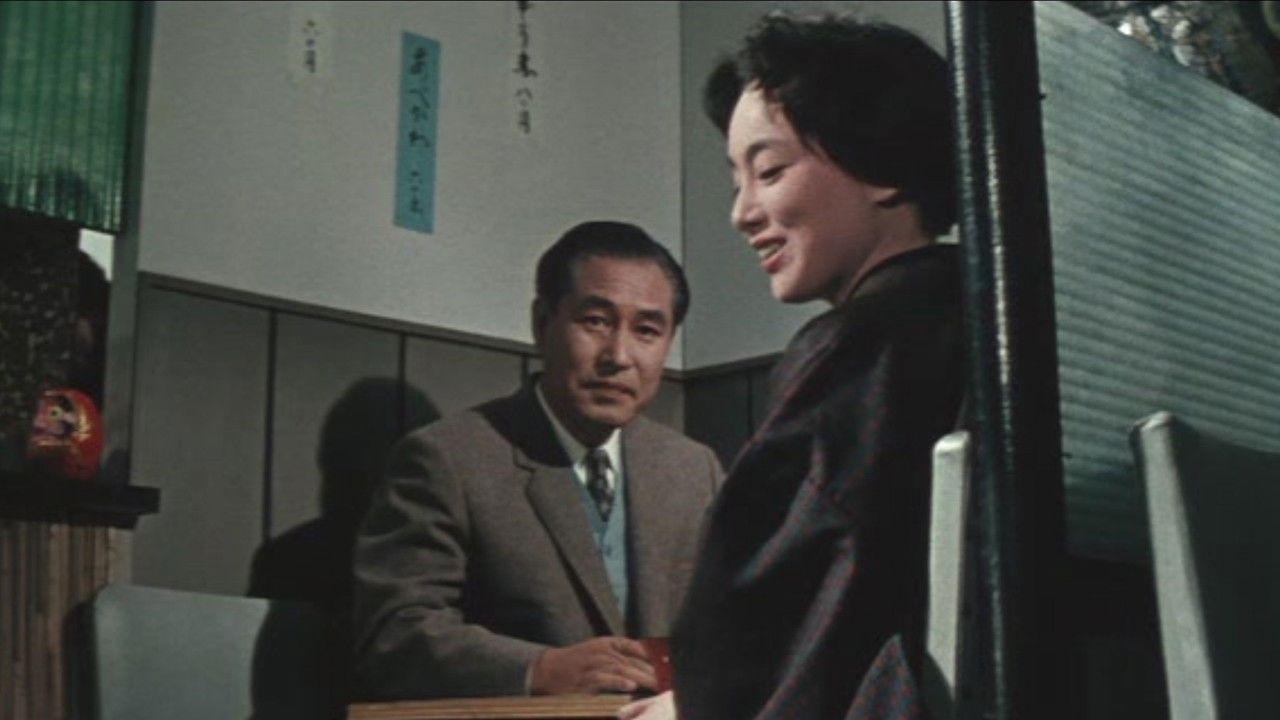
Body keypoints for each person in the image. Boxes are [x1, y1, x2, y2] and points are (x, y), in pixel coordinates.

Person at [621, 13, 963, 720]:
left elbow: (768, 600)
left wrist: (696, 705)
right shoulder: (975, 311)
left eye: (770, 171)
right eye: (737, 180)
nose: (742, 214)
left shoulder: (861, 344)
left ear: (882, 164)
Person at [352, 221, 724, 700]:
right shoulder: (448, 459)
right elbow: (393, 634)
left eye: (647, 331)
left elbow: (738, 623)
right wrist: (539, 670)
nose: (618, 356)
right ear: (542, 323)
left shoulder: (693, 470)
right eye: (595, 322)